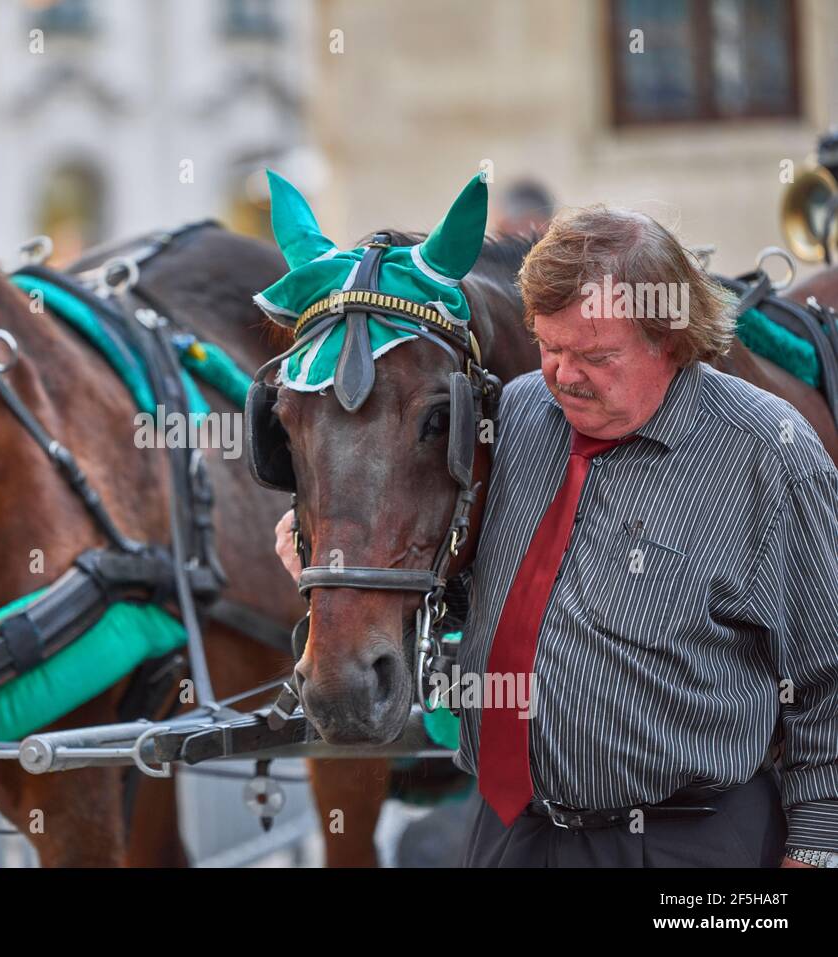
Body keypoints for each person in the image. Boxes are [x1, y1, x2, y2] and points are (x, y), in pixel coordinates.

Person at [274, 204, 838, 867]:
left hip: (687, 844)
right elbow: (484, 600)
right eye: (549, 345)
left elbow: (826, 686)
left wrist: (815, 852)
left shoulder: (769, 455)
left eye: (595, 355)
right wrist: (341, 562)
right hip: (513, 832)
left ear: (673, 338)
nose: (564, 376)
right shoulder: (515, 413)